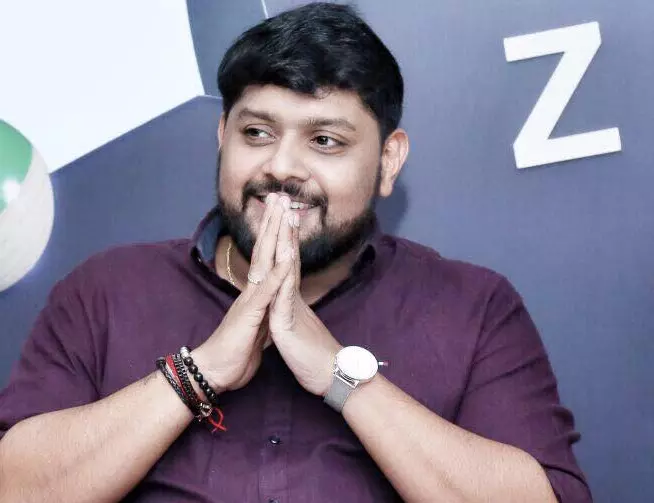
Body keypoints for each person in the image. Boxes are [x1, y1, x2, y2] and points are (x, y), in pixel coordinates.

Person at [0, 3, 592, 502]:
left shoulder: (472, 306)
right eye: (256, 133)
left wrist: (339, 375)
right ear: (221, 137)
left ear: (388, 161)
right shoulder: (106, 291)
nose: (281, 167)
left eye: (325, 140)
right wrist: (200, 372)